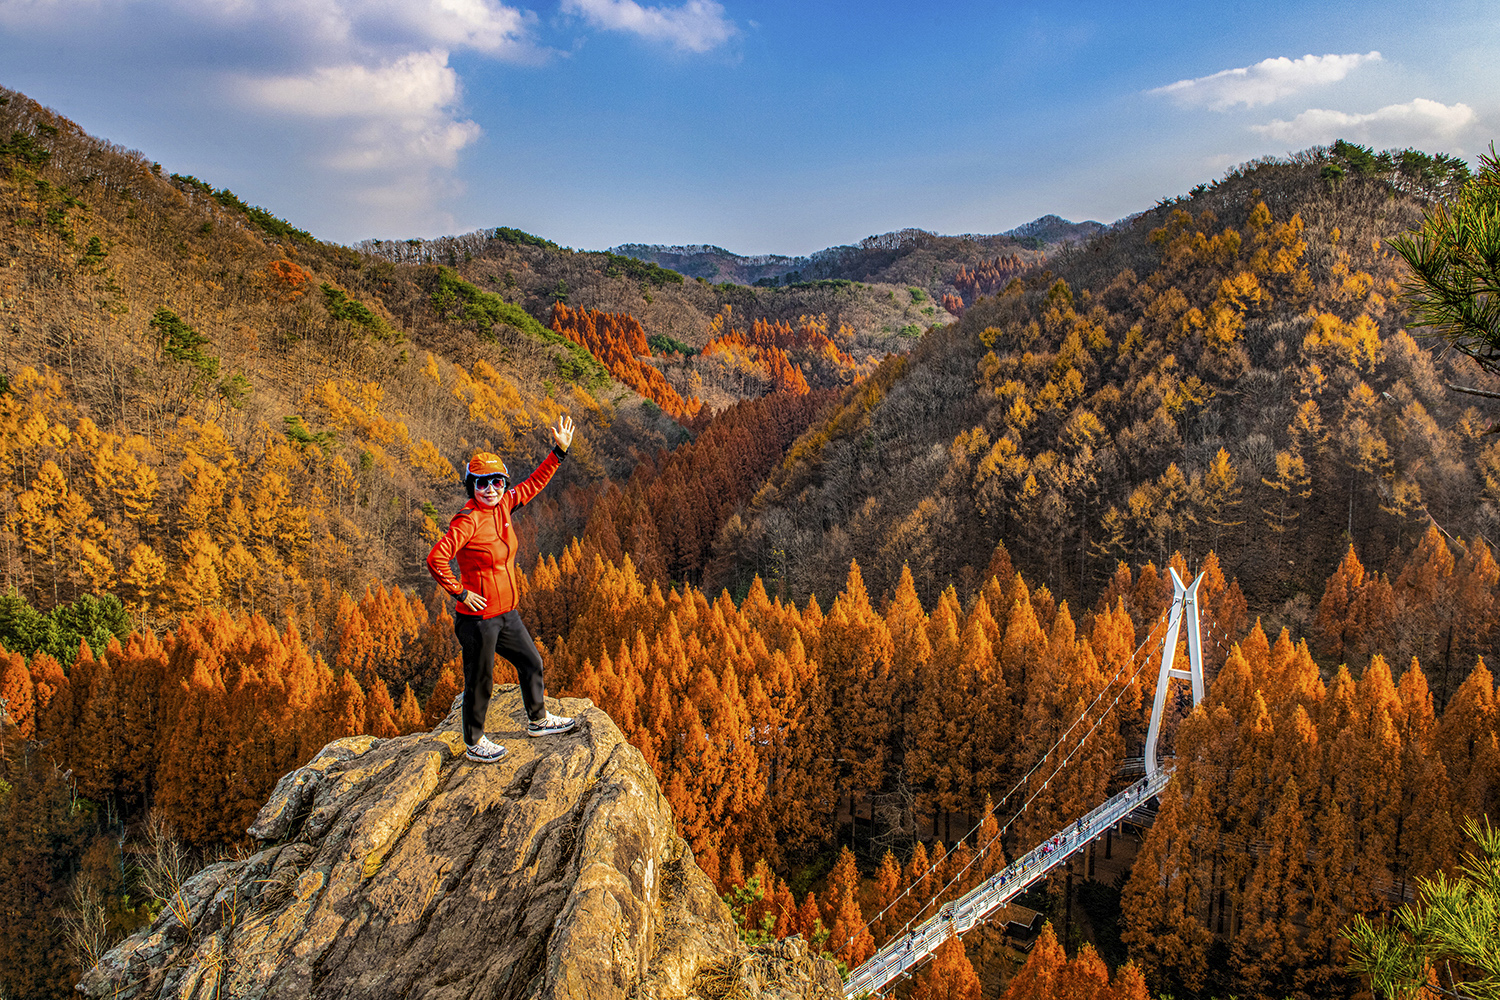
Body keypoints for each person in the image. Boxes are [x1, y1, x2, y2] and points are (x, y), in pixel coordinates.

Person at [426, 415, 577, 763]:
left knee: (531, 661)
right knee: (480, 680)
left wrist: (559, 452)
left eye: (497, 481)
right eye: (482, 483)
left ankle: (538, 720)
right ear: (471, 487)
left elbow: (533, 484)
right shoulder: (468, 520)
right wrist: (461, 593)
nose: (491, 489)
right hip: (478, 619)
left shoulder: (504, 505)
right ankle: (474, 741)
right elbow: (436, 558)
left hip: (507, 612)